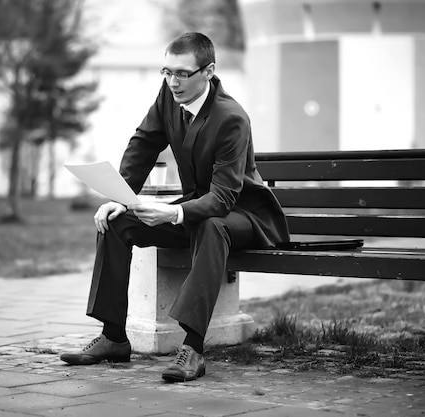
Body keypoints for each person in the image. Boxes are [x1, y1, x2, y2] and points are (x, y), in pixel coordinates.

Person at [60, 32, 290, 382]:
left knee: (214, 225)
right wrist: (119, 199)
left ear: (208, 71)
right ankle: (114, 337)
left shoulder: (231, 118)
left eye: (182, 73)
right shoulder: (169, 98)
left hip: (244, 216)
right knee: (118, 223)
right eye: (166, 72)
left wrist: (174, 212)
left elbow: (225, 198)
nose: (172, 81)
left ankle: (193, 348)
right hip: (197, 207)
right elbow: (143, 144)